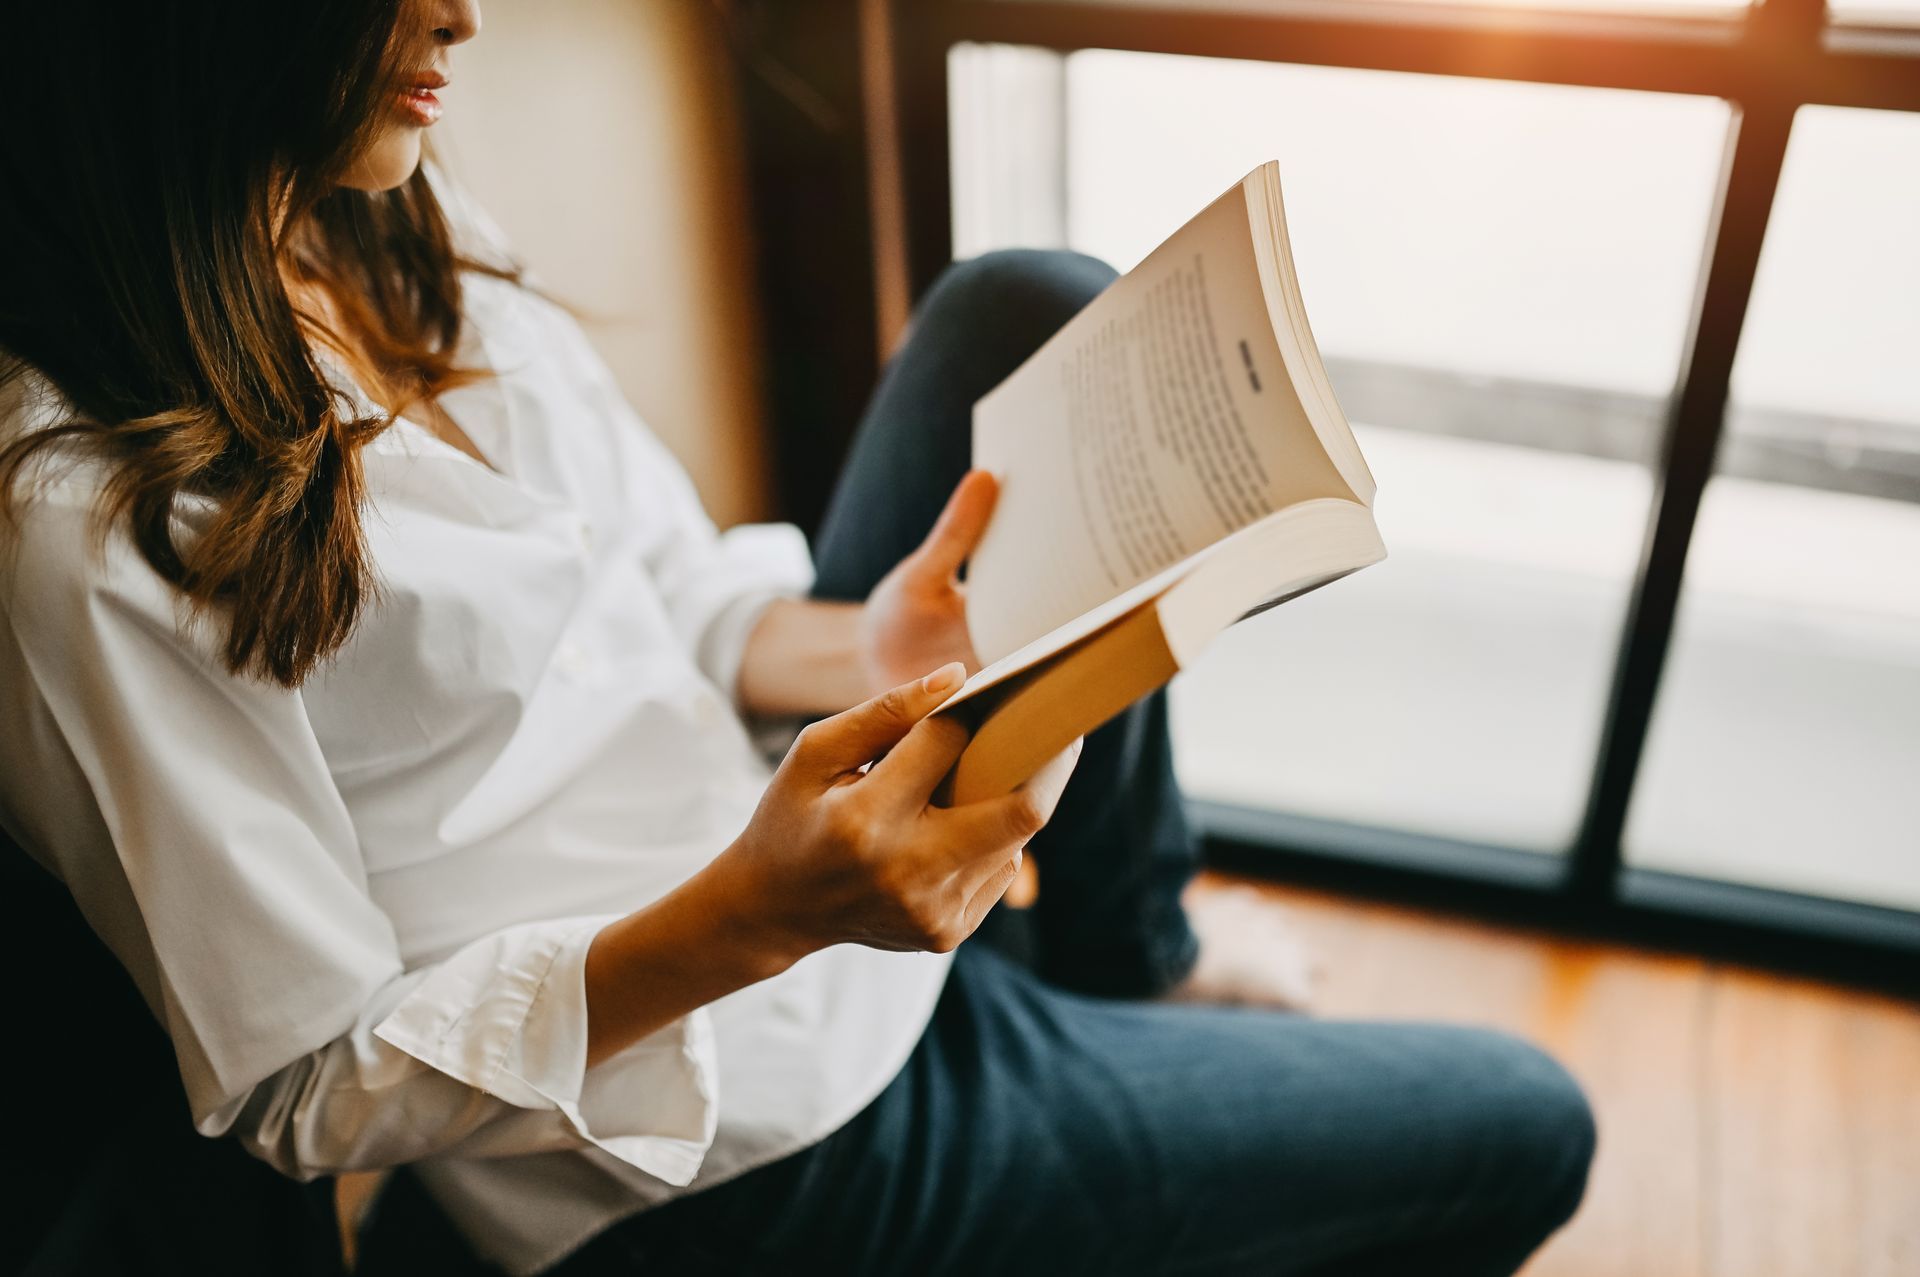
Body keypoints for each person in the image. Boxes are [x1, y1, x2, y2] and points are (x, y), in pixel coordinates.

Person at [0, 2, 1595, 1274]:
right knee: (1533, 1127)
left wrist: (850, 647)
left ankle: (1132, 965)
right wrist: (762, 916)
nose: (464, 19)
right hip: (733, 1134)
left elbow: (647, 578)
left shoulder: (360, 193)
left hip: (767, 820)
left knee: (1028, 309)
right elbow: (295, 1077)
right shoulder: (78, 518)